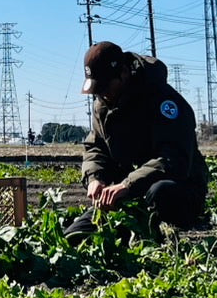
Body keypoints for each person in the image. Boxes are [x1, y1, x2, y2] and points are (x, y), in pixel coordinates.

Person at [65, 41, 208, 242]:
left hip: (178, 191)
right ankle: (128, 230)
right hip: (129, 193)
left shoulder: (163, 101)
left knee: (160, 193)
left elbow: (174, 159)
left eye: (106, 86)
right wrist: (94, 177)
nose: (101, 94)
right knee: (74, 237)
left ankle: (156, 238)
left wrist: (127, 185)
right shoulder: (103, 106)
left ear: (123, 73)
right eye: (97, 89)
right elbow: (95, 147)